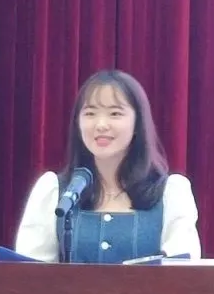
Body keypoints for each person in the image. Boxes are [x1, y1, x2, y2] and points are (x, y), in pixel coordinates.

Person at [15, 69, 202, 263]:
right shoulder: (54, 190)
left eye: (115, 113)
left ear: (138, 123)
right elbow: (29, 273)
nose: (101, 125)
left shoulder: (170, 193)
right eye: (90, 113)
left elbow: (182, 272)